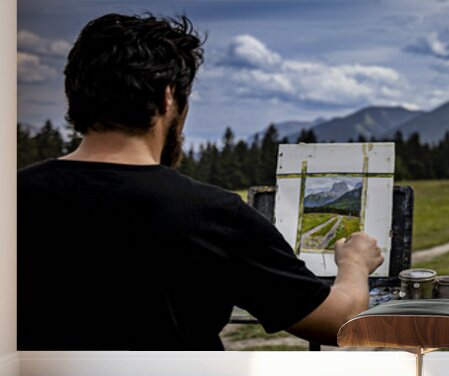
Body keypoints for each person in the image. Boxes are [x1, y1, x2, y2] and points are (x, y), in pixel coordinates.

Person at [17, 13, 383, 350]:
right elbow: (341, 323)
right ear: (168, 97)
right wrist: (354, 263)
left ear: (75, 97)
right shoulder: (212, 214)